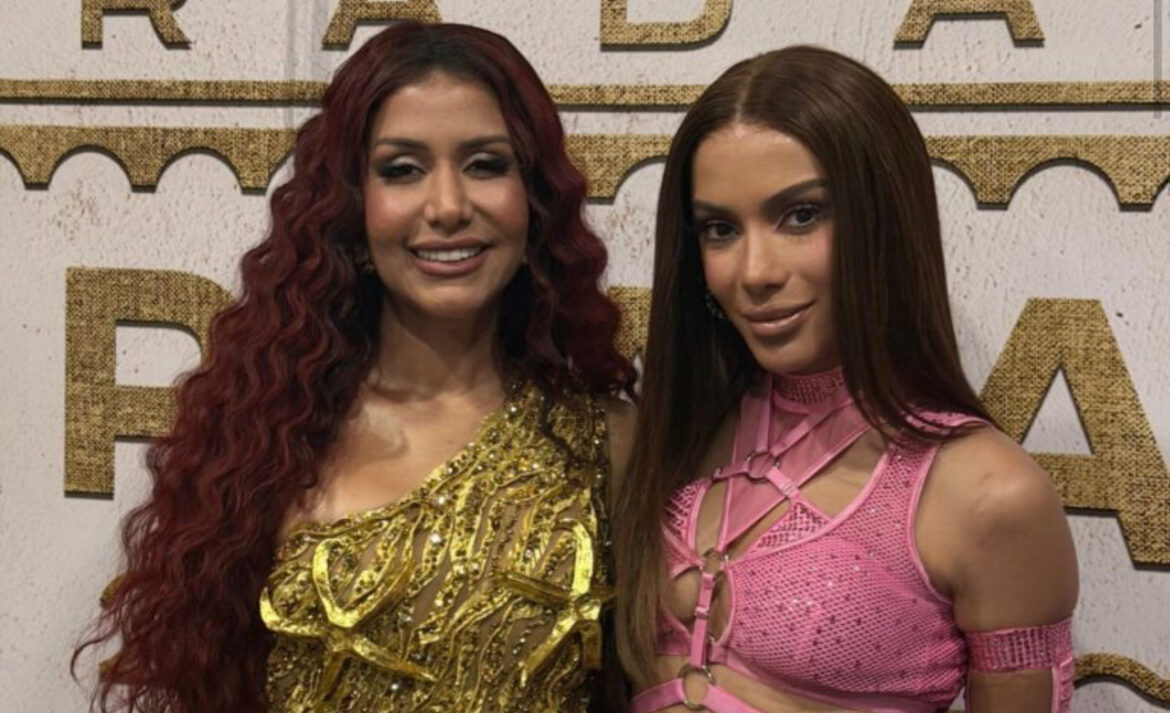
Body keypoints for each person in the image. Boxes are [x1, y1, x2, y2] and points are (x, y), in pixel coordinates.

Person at [75, 22, 637, 713]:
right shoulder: (267, 432)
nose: (448, 207)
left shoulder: (606, 444)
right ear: (351, 208)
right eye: (402, 170)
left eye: (486, 164)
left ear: (536, 201)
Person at [613, 46, 1078, 713]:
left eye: (801, 215)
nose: (755, 271)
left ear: (886, 221)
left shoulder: (988, 495)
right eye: (720, 228)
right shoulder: (670, 436)